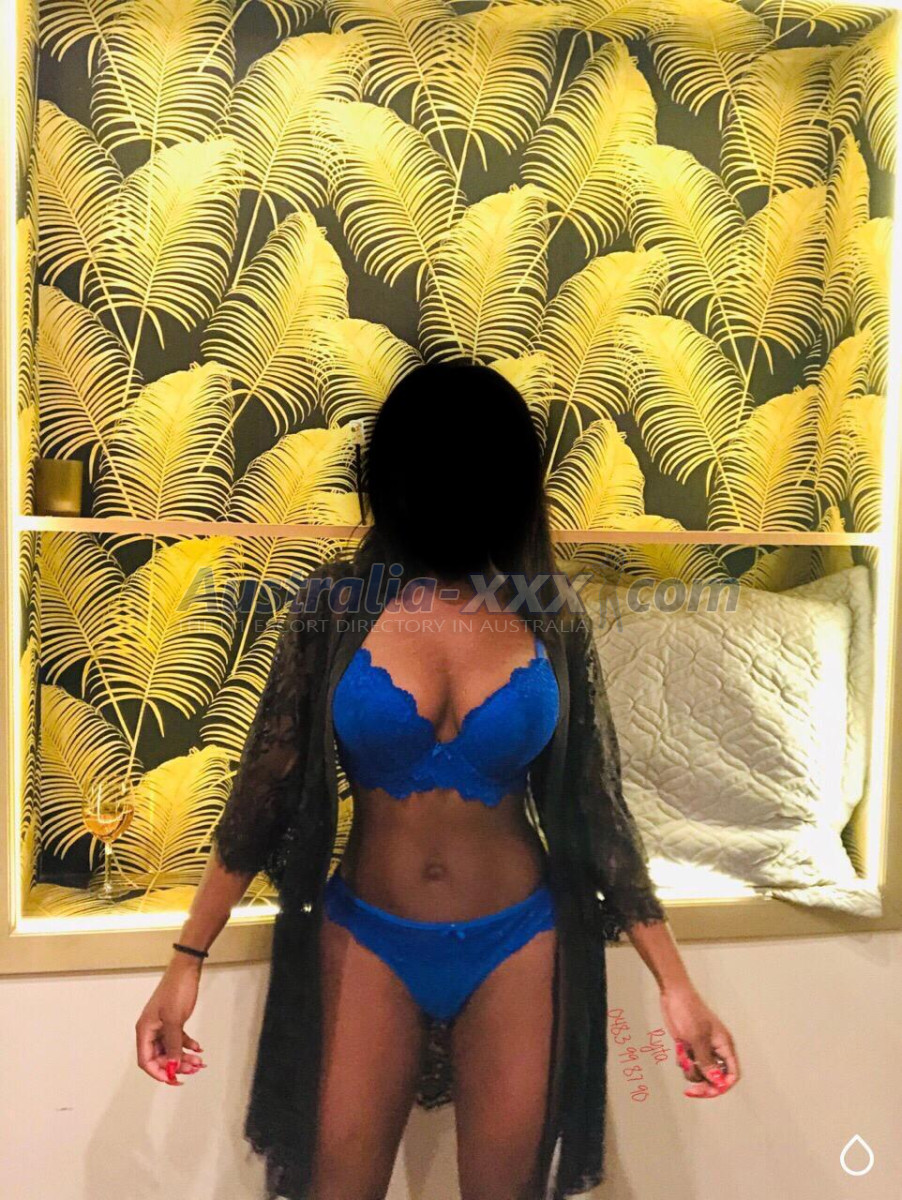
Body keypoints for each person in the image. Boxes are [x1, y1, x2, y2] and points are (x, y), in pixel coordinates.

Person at [136, 360, 740, 1199]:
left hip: (519, 944)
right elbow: (262, 794)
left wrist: (678, 987)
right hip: (366, 938)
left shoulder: (549, 614)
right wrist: (185, 960)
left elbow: (596, 808)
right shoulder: (336, 606)